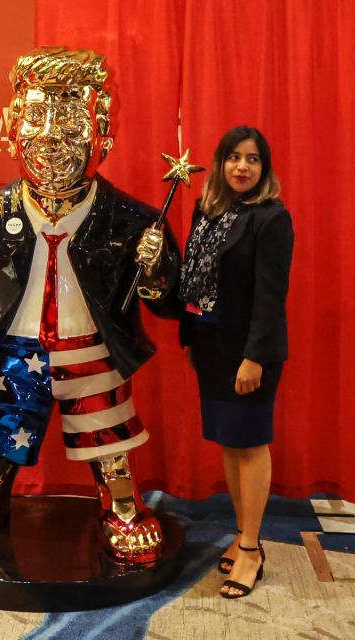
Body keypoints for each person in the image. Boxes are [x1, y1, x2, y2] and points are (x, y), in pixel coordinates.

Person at [0, 47, 180, 564]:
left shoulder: (132, 221)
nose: (53, 138)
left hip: (93, 352)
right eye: (37, 117)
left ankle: (118, 495)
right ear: (11, 127)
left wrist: (154, 269)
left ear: (103, 130)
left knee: (106, 428)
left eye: (71, 121)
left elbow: (170, 303)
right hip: (15, 352)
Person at [178, 125, 293, 599]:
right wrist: (189, 337)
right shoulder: (206, 212)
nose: (242, 167)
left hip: (249, 353)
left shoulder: (271, 218)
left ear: (263, 168)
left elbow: (271, 297)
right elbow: (191, 277)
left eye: (252, 159)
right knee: (229, 443)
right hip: (210, 347)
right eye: (233, 157)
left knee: (250, 443)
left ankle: (250, 549)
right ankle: (245, 535)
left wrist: (254, 358)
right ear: (221, 163)